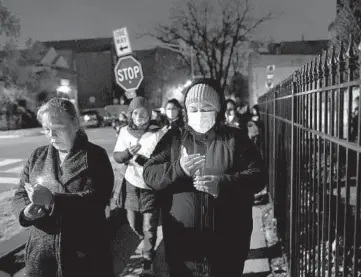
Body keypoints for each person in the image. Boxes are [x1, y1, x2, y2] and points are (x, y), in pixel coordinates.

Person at [143, 78, 265, 277]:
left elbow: (258, 176)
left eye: (206, 107)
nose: (199, 113)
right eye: (194, 108)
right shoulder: (173, 138)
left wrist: (222, 184)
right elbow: (149, 173)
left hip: (228, 245)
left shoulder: (236, 138)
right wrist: (178, 168)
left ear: (218, 109)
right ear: (186, 111)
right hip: (183, 247)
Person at [12, 97, 114, 277]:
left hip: (84, 257)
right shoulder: (38, 156)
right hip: (41, 258)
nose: (52, 136)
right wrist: (25, 213)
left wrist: (53, 201)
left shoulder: (95, 156)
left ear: (75, 123)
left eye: (58, 129)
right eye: (46, 129)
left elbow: (97, 199)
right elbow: (20, 194)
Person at [113, 96, 166, 276]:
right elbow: (117, 156)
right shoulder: (124, 132)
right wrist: (127, 153)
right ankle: (144, 242)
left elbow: (164, 160)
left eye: (144, 114)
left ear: (149, 115)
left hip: (151, 186)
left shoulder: (158, 133)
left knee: (149, 227)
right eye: (136, 113)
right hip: (131, 185)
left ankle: (147, 264)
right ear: (131, 115)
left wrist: (145, 161)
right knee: (133, 226)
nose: (140, 117)